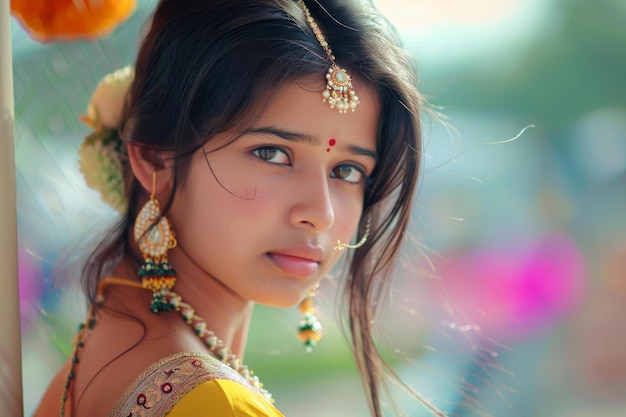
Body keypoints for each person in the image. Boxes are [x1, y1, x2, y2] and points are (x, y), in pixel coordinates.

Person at [34, 0, 436, 415]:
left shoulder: (104, 344)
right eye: (272, 153)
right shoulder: (216, 403)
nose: (321, 212)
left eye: (348, 170)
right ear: (156, 158)